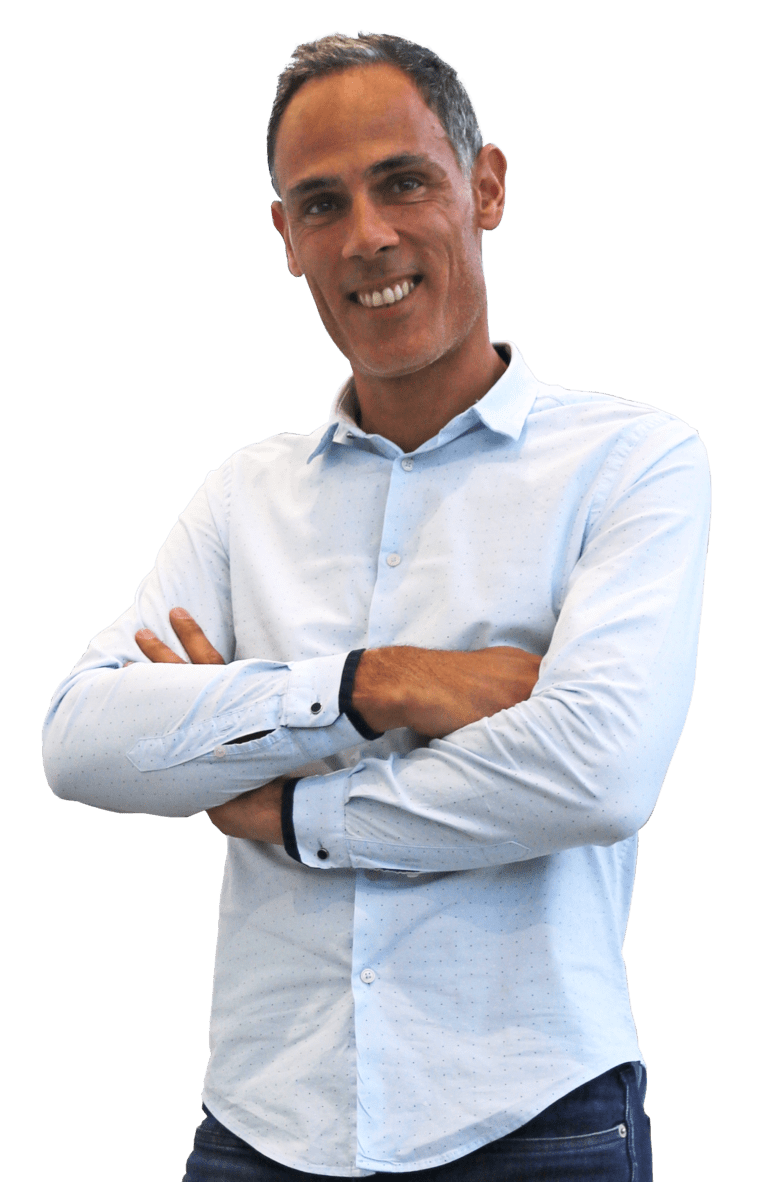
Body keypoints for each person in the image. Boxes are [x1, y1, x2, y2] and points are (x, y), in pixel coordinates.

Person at [42, 30, 710, 1182]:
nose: (367, 237)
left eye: (403, 182)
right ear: (286, 239)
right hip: (262, 1127)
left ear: (485, 186)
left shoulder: (632, 462)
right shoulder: (243, 496)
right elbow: (81, 741)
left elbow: (597, 772)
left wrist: (292, 805)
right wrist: (372, 686)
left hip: (534, 1124)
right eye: (321, 204)